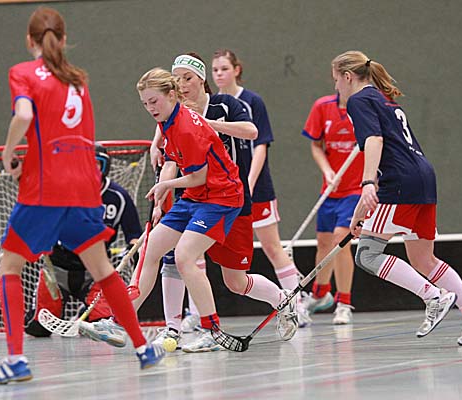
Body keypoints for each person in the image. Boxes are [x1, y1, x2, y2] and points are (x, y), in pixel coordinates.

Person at [0, 7, 163, 385]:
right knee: (104, 270)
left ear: (29, 40)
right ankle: (143, 348)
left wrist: (8, 152)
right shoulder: (78, 80)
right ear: (63, 39)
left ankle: (15, 359)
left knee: (10, 267)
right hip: (84, 188)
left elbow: (24, 116)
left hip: (45, 188)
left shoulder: (23, 73)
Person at [83, 67, 297, 353]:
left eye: (154, 102)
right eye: (145, 104)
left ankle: (212, 330)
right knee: (152, 248)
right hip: (196, 196)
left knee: (190, 258)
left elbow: (198, 176)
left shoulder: (187, 126)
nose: (150, 108)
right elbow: (176, 164)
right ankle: (119, 322)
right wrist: (162, 190)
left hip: (222, 197)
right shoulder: (167, 121)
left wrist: (166, 185)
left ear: (171, 95)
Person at [334, 50, 462, 344]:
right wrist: (359, 215)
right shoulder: (383, 98)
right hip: (423, 178)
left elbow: (375, 140)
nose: (336, 88)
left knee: (367, 255)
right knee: (424, 259)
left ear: (347, 77)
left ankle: (433, 296)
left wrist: (367, 183)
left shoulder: (358, 100)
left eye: (335, 80)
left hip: (400, 182)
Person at [147, 53, 303, 350]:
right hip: (193, 197)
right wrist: (160, 194)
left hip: (229, 199)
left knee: (235, 281)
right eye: (177, 79)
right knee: (179, 258)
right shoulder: (174, 113)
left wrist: (206, 124)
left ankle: (282, 299)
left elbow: (252, 131)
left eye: (188, 78)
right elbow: (170, 157)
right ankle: (179, 328)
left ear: (201, 79)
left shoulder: (225, 105)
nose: (182, 84)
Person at [211, 49, 310, 324]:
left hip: (256, 189)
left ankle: (297, 305)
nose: (219, 74)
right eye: (215, 69)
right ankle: (198, 315)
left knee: (272, 247)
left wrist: (249, 184)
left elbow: (260, 146)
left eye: (224, 68)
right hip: (224, 193)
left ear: (237, 70)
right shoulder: (213, 105)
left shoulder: (252, 101)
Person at [24, 143, 143, 342]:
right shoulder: (61, 192)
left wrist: (133, 248)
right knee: (38, 329)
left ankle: (85, 313)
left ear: (105, 167)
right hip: (58, 270)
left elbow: (134, 234)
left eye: (96, 164)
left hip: (95, 272)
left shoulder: (118, 197)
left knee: (102, 322)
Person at [301, 92, 364, 324]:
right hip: (331, 189)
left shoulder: (365, 108)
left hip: (356, 189)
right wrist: (327, 171)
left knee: (341, 240)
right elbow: (316, 145)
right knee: (324, 243)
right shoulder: (322, 106)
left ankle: (344, 303)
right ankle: (320, 294)